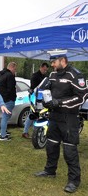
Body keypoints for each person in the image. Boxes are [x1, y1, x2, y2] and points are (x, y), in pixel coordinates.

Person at [34, 52, 88, 193]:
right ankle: (50, 171)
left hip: (69, 118)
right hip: (54, 116)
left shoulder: (75, 74)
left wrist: (60, 102)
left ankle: (74, 180)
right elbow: (46, 89)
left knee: (70, 150)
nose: (51, 65)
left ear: (62, 60)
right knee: (51, 146)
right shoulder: (52, 74)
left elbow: (81, 97)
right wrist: (40, 94)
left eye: (54, 62)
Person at [22, 62, 49, 139]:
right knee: (32, 115)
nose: (45, 71)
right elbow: (34, 87)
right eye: (44, 69)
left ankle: (35, 132)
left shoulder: (44, 76)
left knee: (38, 115)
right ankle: (25, 132)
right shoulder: (35, 76)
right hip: (34, 98)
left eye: (46, 70)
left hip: (41, 98)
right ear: (41, 67)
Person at [0, 62, 17, 141]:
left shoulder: (2, 74)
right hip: (8, 99)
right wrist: (11, 97)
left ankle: (3, 131)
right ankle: (3, 136)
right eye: (15, 69)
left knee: (6, 116)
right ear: (12, 67)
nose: (15, 71)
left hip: (3, 98)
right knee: (5, 117)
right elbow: (10, 88)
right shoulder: (9, 76)